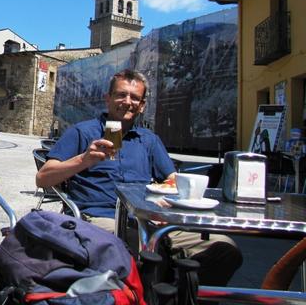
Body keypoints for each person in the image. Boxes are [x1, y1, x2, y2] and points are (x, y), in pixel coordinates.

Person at [36, 69, 242, 287]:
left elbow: (172, 179)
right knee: (142, 248)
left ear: (142, 105)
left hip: (151, 220)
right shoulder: (82, 132)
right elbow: (43, 178)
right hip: (101, 218)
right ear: (108, 99)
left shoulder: (149, 140)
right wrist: (84, 159)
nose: (128, 102)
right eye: (121, 95)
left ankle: (175, 295)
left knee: (225, 249)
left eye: (135, 97)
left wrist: (166, 200)